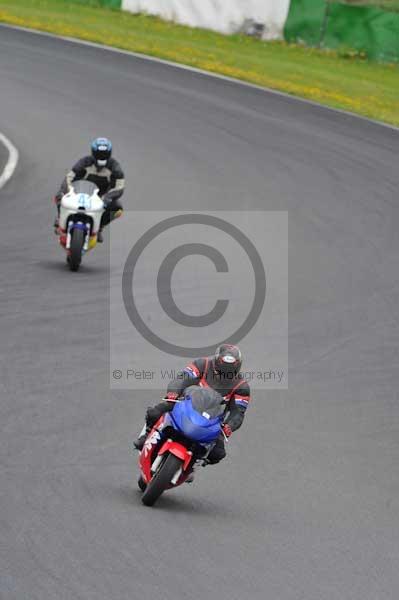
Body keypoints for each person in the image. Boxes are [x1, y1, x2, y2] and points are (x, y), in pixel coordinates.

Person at [134, 344, 250, 465]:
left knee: (218, 453)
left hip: (212, 419)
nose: (224, 375)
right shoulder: (202, 365)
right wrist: (174, 392)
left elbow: (238, 412)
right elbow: (182, 378)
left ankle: (194, 463)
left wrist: (229, 426)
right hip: (185, 404)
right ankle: (147, 435)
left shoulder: (241, 387)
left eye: (229, 372)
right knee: (154, 413)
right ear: (215, 363)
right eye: (222, 370)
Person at [53, 137, 124, 242]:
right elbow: (70, 177)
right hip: (79, 192)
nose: (101, 157)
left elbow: (119, 187)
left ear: (109, 154)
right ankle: (60, 219)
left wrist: (107, 197)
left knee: (118, 209)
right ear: (93, 153)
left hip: (101, 197)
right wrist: (67, 189)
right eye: (99, 154)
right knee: (59, 195)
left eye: (104, 154)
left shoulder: (115, 168)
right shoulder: (84, 162)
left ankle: (99, 226)